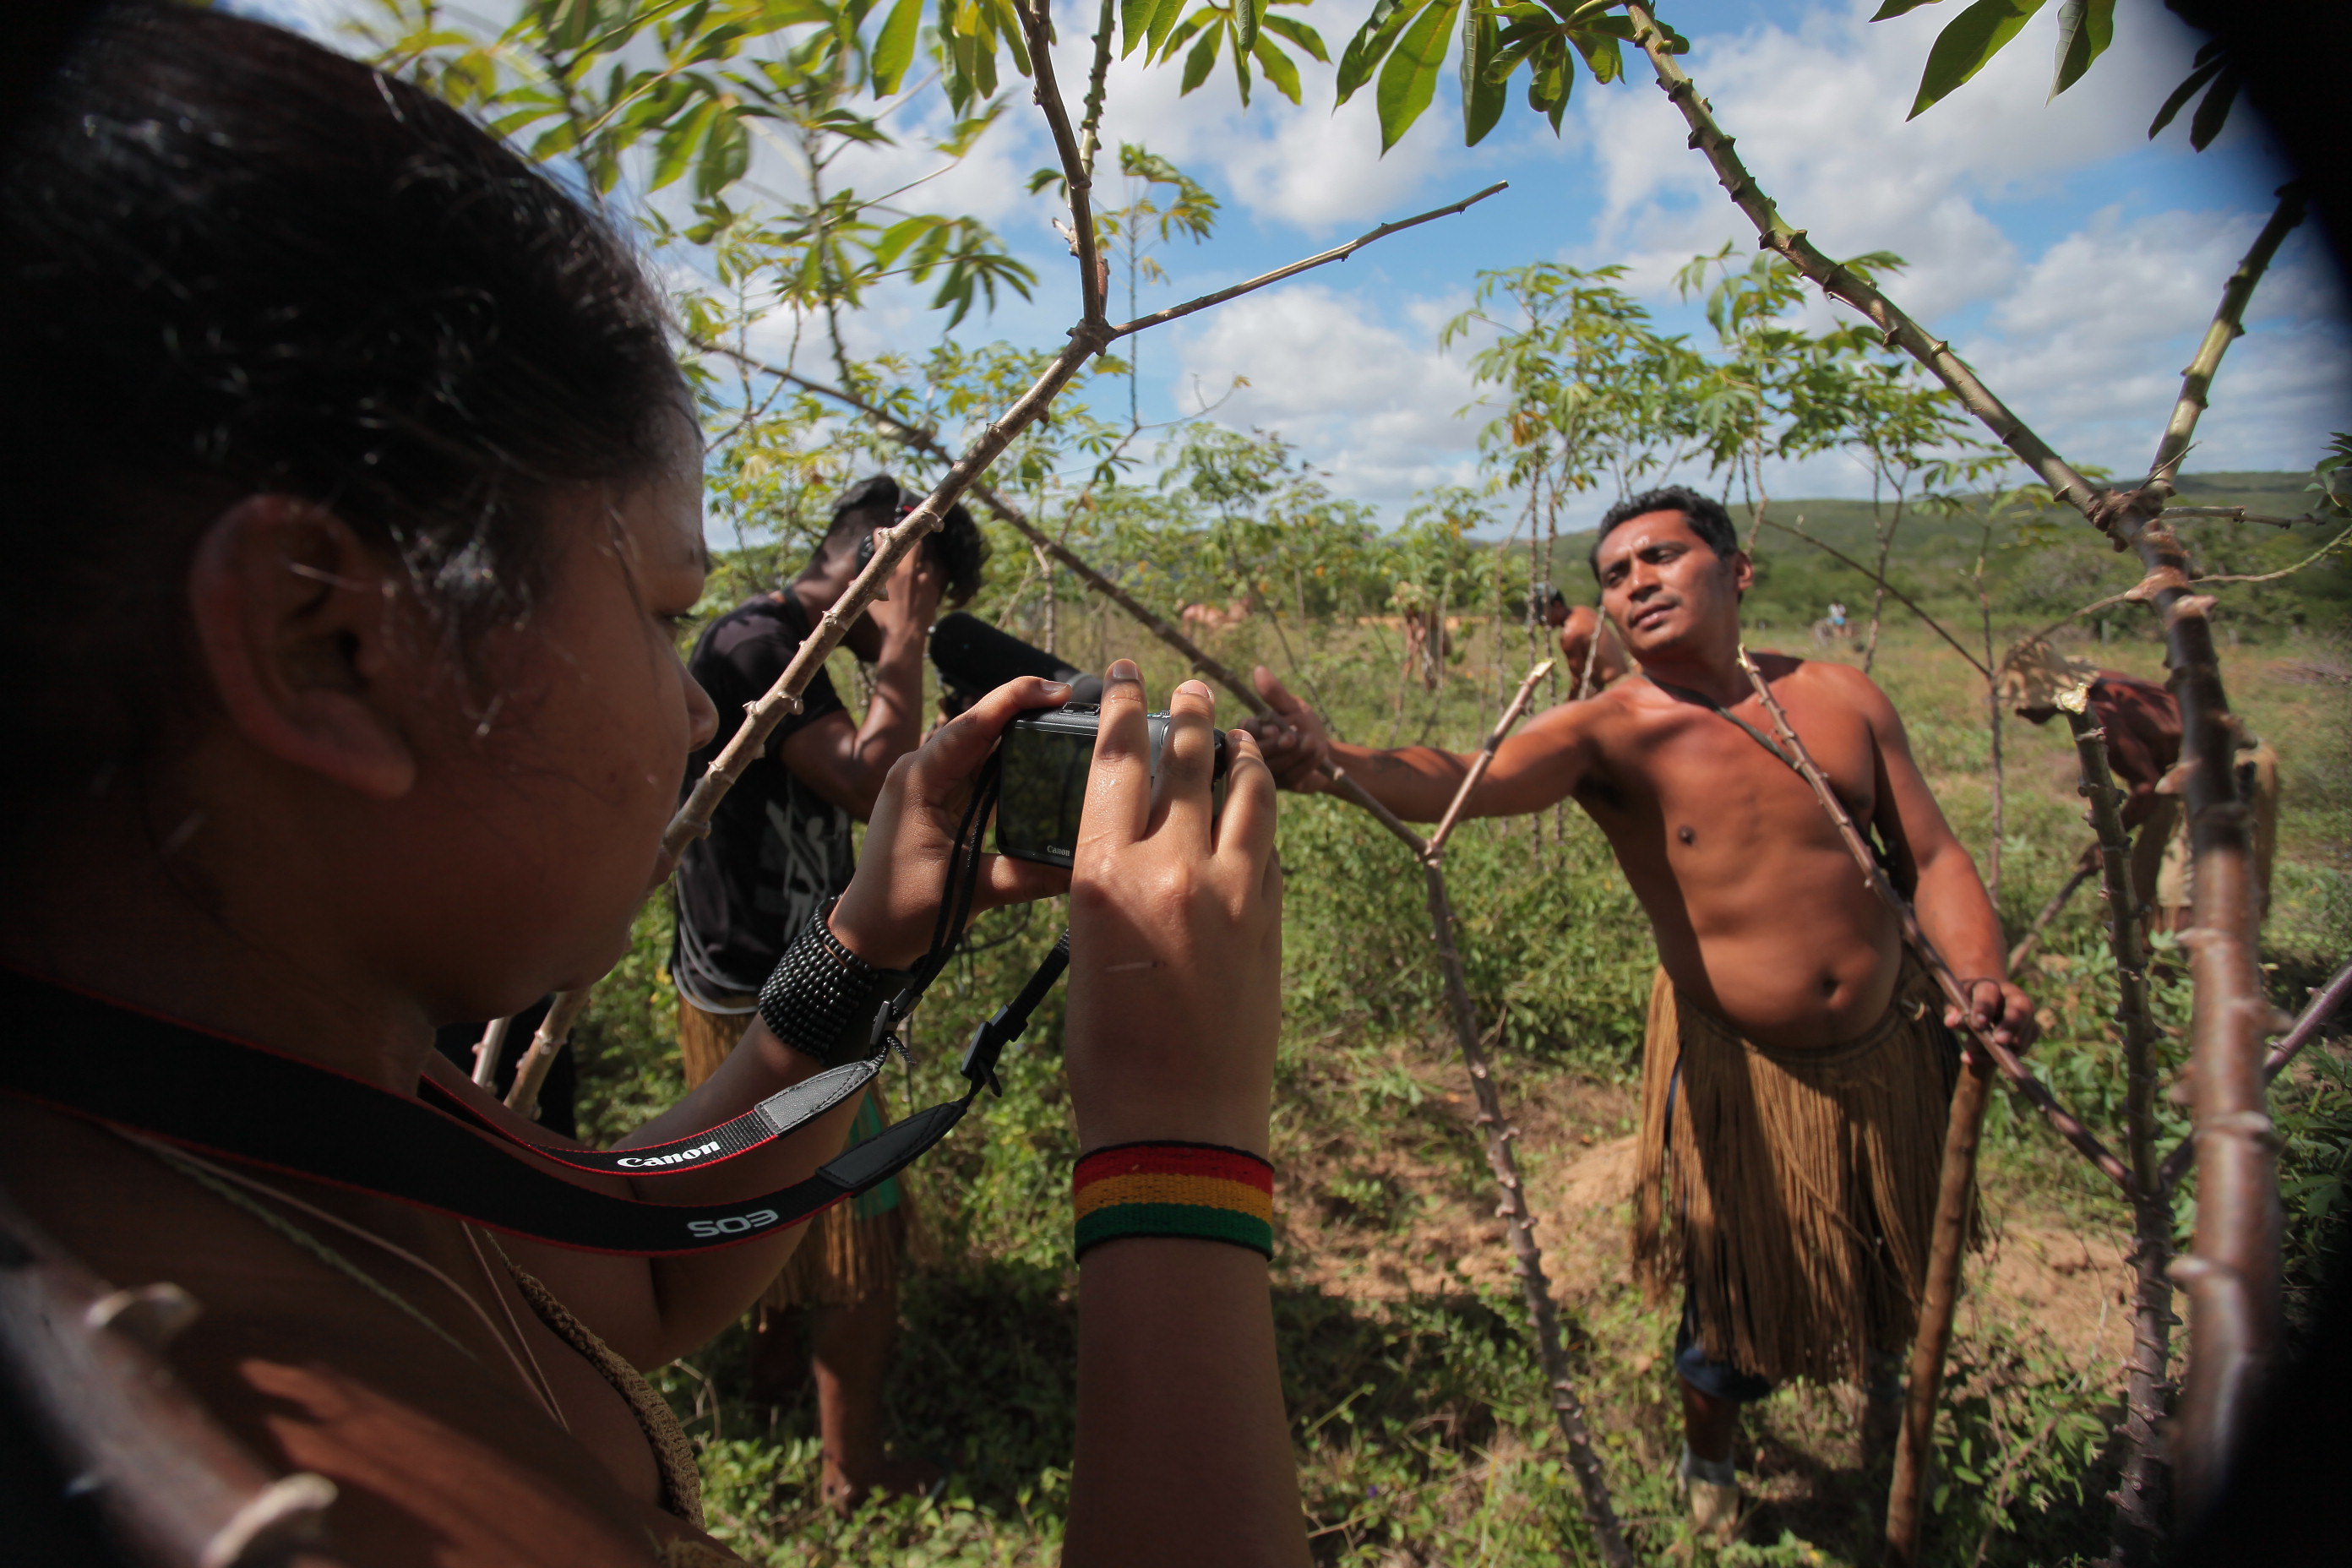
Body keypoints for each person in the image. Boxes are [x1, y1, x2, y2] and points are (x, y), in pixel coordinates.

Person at [0, 9, 1308, 1566]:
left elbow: (645, 1270)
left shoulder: (260, 1104)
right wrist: (1176, 1137)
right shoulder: (284, 1500)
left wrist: (858, 955)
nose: (695, 708)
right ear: (329, 645)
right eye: (659, 608)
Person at [1245, 486, 2034, 1540]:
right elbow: (1462, 782)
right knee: (1730, 1305)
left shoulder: (1845, 699)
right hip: (1749, 1076)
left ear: (1737, 569)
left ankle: (1886, 1400)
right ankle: (1711, 1464)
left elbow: (1929, 854)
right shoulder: (1605, 733)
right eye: (1616, 574)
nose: (1634, 584)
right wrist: (1333, 763)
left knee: (1898, 1254)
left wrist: (1977, 971)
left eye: (1660, 557)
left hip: (1895, 1050)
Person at [669, 473, 982, 1510]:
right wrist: (903, 628)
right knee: (860, 1232)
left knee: (766, 1206)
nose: (919, 628)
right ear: (891, 565)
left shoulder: (779, 645)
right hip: (781, 1002)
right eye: (926, 593)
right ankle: (855, 1470)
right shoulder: (763, 645)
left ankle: (766, 1383)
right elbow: (867, 778)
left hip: (769, 982)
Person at [2003, 640, 2277, 934]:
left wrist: (2108, 842)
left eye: (2025, 703)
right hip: (2180, 777)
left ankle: (2191, 968)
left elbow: (2146, 789)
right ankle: (2156, 953)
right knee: (2149, 868)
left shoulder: (2103, 716)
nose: (2020, 712)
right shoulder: (2098, 691)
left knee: (2184, 888)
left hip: (2223, 771)